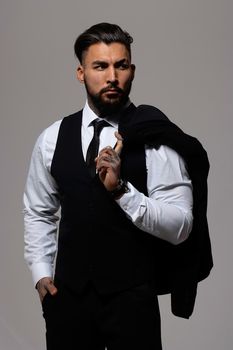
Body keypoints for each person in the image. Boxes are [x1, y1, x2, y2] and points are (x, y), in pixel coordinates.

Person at [23, 22, 213, 350]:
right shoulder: (52, 138)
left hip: (132, 303)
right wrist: (41, 275)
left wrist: (121, 191)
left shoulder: (156, 138)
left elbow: (181, 225)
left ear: (132, 71)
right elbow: (38, 211)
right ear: (81, 73)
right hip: (68, 301)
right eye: (100, 66)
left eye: (120, 65)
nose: (112, 76)